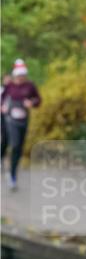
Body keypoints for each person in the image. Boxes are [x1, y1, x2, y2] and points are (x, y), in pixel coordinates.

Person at [0, 58, 41, 190]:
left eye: (23, 75)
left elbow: (38, 100)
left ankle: (13, 174)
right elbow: (2, 98)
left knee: (18, 148)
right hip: (9, 119)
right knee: (13, 143)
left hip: (23, 120)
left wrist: (32, 103)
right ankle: (8, 169)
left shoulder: (30, 86)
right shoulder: (9, 85)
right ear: (15, 75)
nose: (21, 77)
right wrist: (2, 107)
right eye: (19, 75)